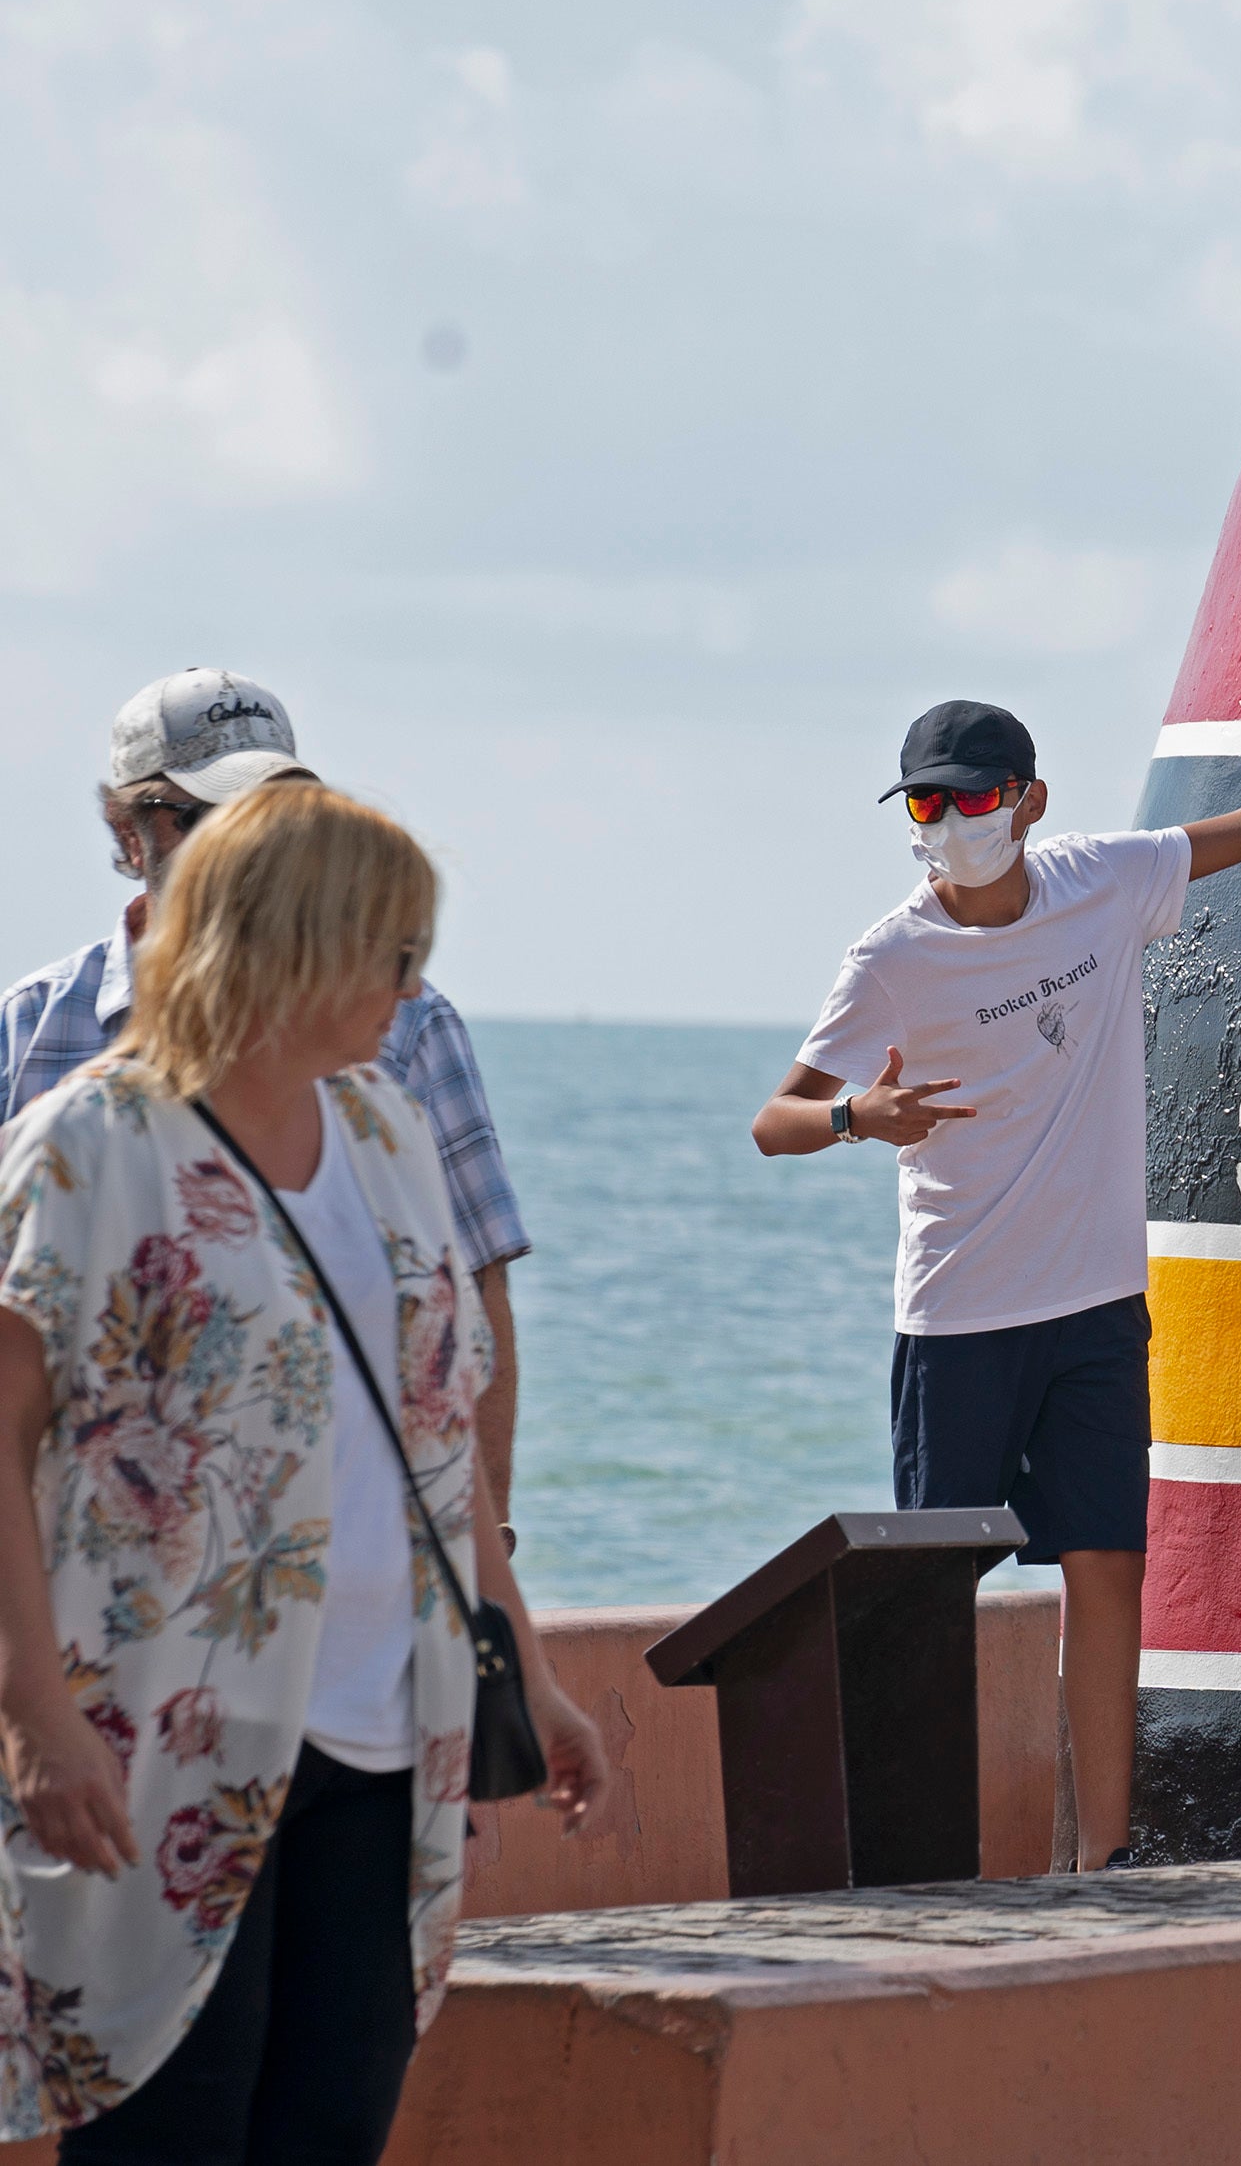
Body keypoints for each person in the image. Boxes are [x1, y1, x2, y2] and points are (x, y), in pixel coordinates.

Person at [751, 701, 1241, 1871]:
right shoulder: (892, 958)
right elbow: (773, 1122)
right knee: (929, 1594)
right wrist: (860, 1116)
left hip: (1099, 1308)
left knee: (1108, 1568)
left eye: (974, 797)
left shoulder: (1100, 883)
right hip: (959, 1314)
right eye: (926, 803)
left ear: (1029, 801)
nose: (951, 822)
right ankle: (917, 1869)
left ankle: (1097, 1864)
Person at [0, 779, 608, 2160]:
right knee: (171, 2128)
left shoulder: (387, 1131)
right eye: (391, 950)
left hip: (390, 1732)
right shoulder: (89, 1146)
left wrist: (525, 1654)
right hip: (160, 1731)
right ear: (293, 939)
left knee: (331, 2124)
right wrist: (31, 1707)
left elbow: (433, 1431)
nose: (412, 984)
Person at [1, 671, 541, 1548]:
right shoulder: (30, 1029)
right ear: (128, 833)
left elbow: (472, 1297)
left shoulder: (409, 1026)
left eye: (268, 818)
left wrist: (486, 1561)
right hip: (105, 1582)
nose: (247, 846)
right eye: (207, 816)